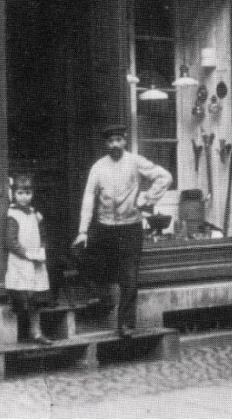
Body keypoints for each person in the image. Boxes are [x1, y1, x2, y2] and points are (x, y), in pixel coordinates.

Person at [72, 123, 172, 338]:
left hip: (130, 228)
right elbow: (88, 198)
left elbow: (164, 177)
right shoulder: (98, 167)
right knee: (87, 261)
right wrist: (83, 230)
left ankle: (125, 324)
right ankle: (103, 301)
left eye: (119, 139)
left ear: (125, 141)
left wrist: (146, 199)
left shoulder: (136, 162)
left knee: (129, 277)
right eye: (110, 141)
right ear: (105, 144)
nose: (115, 144)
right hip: (104, 227)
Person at [5, 174, 53, 345]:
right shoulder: (13, 215)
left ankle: (36, 331)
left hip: (36, 262)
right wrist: (26, 253)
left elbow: (43, 234)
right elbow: (11, 241)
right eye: (20, 193)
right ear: (14, 194)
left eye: (27, 193)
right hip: (21, 262)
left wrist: (42, 249)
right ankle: (19, 334)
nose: (24, 197)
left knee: (36, 300)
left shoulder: (35, 214)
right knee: (22, 297)